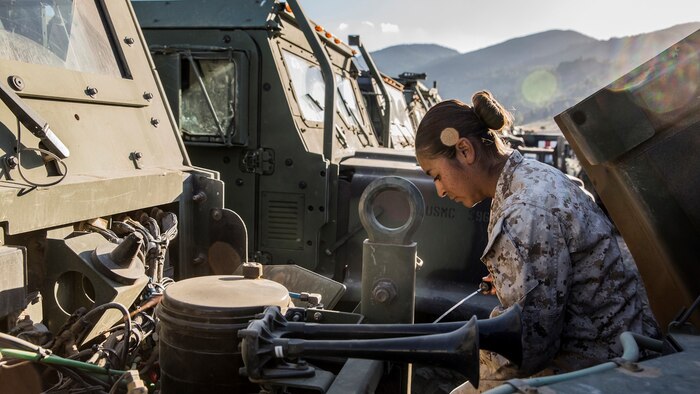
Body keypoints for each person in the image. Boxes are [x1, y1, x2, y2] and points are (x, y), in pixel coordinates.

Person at [414, 91, 660, 392]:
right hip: (614, 347)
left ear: (465, 150)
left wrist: (465, 355)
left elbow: (523, 352)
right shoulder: (530, 177)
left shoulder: (526, 211)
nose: (439, 190)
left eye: (437, 175)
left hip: (596, 367)